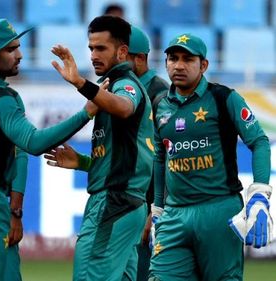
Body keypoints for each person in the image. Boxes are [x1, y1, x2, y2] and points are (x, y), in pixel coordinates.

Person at [0, 18, 98, 281]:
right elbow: (33, 143)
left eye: (19, 47)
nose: (20, 55)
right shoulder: (1, 98)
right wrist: (85, 114)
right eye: (11, 50)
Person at [148, 33, 272, 280]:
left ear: (203, 65)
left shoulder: (224, 98)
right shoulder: (160, 103)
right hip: (174, 216)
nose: (179, 65)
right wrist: (158, 209)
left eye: (187, 59)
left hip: (218, 212)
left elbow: (259, 141)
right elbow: (161, 157)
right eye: (173, 58)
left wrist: (259, 195)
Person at [44, 15, 154, 280]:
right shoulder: (111, 86)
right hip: (126, 203)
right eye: (91, 48)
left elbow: (125, 106)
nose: (94, 55)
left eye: (101, 48)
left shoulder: (124, 84)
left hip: (114, 203)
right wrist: (82, 163)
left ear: (122, 51)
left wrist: (80, 83)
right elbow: (124, 158)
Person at [126, 25, 169, 281]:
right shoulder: (119, 90)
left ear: (139, 59)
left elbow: (162, 159)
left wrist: (153, 210)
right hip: (124, 205)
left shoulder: (159, 94)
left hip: (145, 209)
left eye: (121, 56)